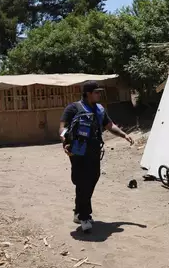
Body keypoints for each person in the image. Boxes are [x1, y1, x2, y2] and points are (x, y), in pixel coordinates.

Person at [59, 81, 133, 231]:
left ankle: (79, 212)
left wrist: (124, 135)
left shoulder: (99, 109)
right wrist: (65, 142)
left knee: (92, 178)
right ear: (88, 93)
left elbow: (109, 125)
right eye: (96, 92)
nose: (99, 94)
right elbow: (62, 127)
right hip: (78, 150)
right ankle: (85, 217)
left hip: (94, 150)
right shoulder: (73, 108)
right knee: (82, 181)